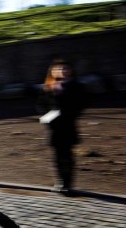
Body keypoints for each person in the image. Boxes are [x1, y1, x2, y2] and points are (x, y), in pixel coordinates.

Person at [37, 58, 88, 195]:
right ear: (52, 71)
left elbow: (81, 104)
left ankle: (68, 183)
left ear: (71, 71)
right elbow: (41, 105)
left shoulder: (77, 86)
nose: (62, 71)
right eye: (58, 69)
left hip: (67, 125)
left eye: (65, 68)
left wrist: (64, 111)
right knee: (57, 156)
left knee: (67, 155)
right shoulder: (48, 86)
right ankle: (60, 181)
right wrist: (45, 117)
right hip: (53, 126)